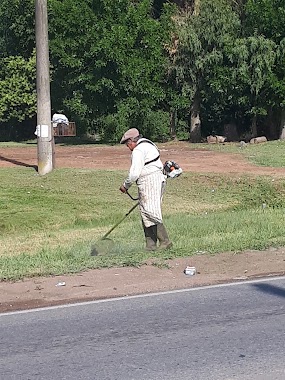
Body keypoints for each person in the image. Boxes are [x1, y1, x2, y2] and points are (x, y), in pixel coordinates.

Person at [119, 128, 172, 251]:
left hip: (150, 181)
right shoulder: (148, 143)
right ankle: (150, 245)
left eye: (128, 144)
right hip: (155, 180)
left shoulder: (138, 150)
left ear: (132, 140)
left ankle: (165, 241)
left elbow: (134, 174)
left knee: (150, 211)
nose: (128, 147)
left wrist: (125, 186)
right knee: (146, 212)